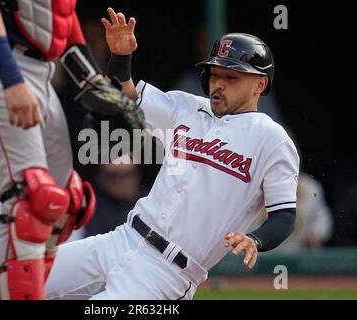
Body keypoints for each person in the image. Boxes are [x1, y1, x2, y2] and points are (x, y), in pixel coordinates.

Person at [45, 8, 300, 300]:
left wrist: (255, 239)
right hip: (121, 240)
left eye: (231, 77)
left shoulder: (272, 139)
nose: (219, 83)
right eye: (215, 73)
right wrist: (121, 57)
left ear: (260, 84)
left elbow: (284, 215)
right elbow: (119, 96)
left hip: (167, 274)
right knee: (16, 280)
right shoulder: (186, 106)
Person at [0, 0, 140, 300]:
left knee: (63, 204)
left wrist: (92, 82)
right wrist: (10, 79)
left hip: (39, 68)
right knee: (31, 200)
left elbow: (59, 16)